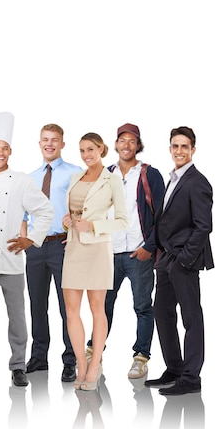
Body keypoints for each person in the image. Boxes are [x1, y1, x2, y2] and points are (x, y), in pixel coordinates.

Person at [0, 112, 54, 388]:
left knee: (17, 319)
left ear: (11, 151)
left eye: (5, 149)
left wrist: (32, 239)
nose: (0, 153)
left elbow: (45, 210)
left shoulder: (22, 180)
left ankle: (18, 366)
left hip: (13, 261)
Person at [86, 123, 165, 379]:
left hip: (138, 254)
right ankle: (93, 352)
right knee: (102, 305)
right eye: (122, 140)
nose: (127, 145)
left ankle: (141, 357)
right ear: (116, 144)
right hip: (108, 253)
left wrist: (149, 247)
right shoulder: (104, 174)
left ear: (138, 146)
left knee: (142, 307)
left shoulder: (149, 174)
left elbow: (162, 216)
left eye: (132, 141)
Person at [145, 126, 213, 396]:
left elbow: (203, 226)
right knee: (161, 312)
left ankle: (191, 377)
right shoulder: (172, 178)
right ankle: (174, 368)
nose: (179, 151)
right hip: (166, 259)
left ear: (193, 150)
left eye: (185, 146)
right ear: (170, 148)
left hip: (184, 260)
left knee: (191, 317)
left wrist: (185, 259)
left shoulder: (198, 182)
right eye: (175, 146)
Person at [61, 132, 128, 391]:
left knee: (97, 308)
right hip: (74, 246)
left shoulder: (112, 181)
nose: (86, 155)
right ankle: (81, 362)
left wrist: (94, 225)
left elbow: (123, 220)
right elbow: (73, 210)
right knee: (71, 310)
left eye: (91, 149)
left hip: (98, 248)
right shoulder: (75, 177)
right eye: (82, 151)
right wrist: (68, 221)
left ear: (101, 149)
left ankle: (96, 363)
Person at [24, 123, 83, 383]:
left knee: (66, 306)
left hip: (63, 245)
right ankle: (39, 356)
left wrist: (76, 238)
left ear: (62, 144)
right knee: (37, 303)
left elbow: (85, 209)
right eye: (45, 139)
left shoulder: (75, 173)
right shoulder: (31, 177)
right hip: (36, 247)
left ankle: (70, 359)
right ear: (39, 143)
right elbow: (24, 213)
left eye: (54, 140)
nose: (49, 144)